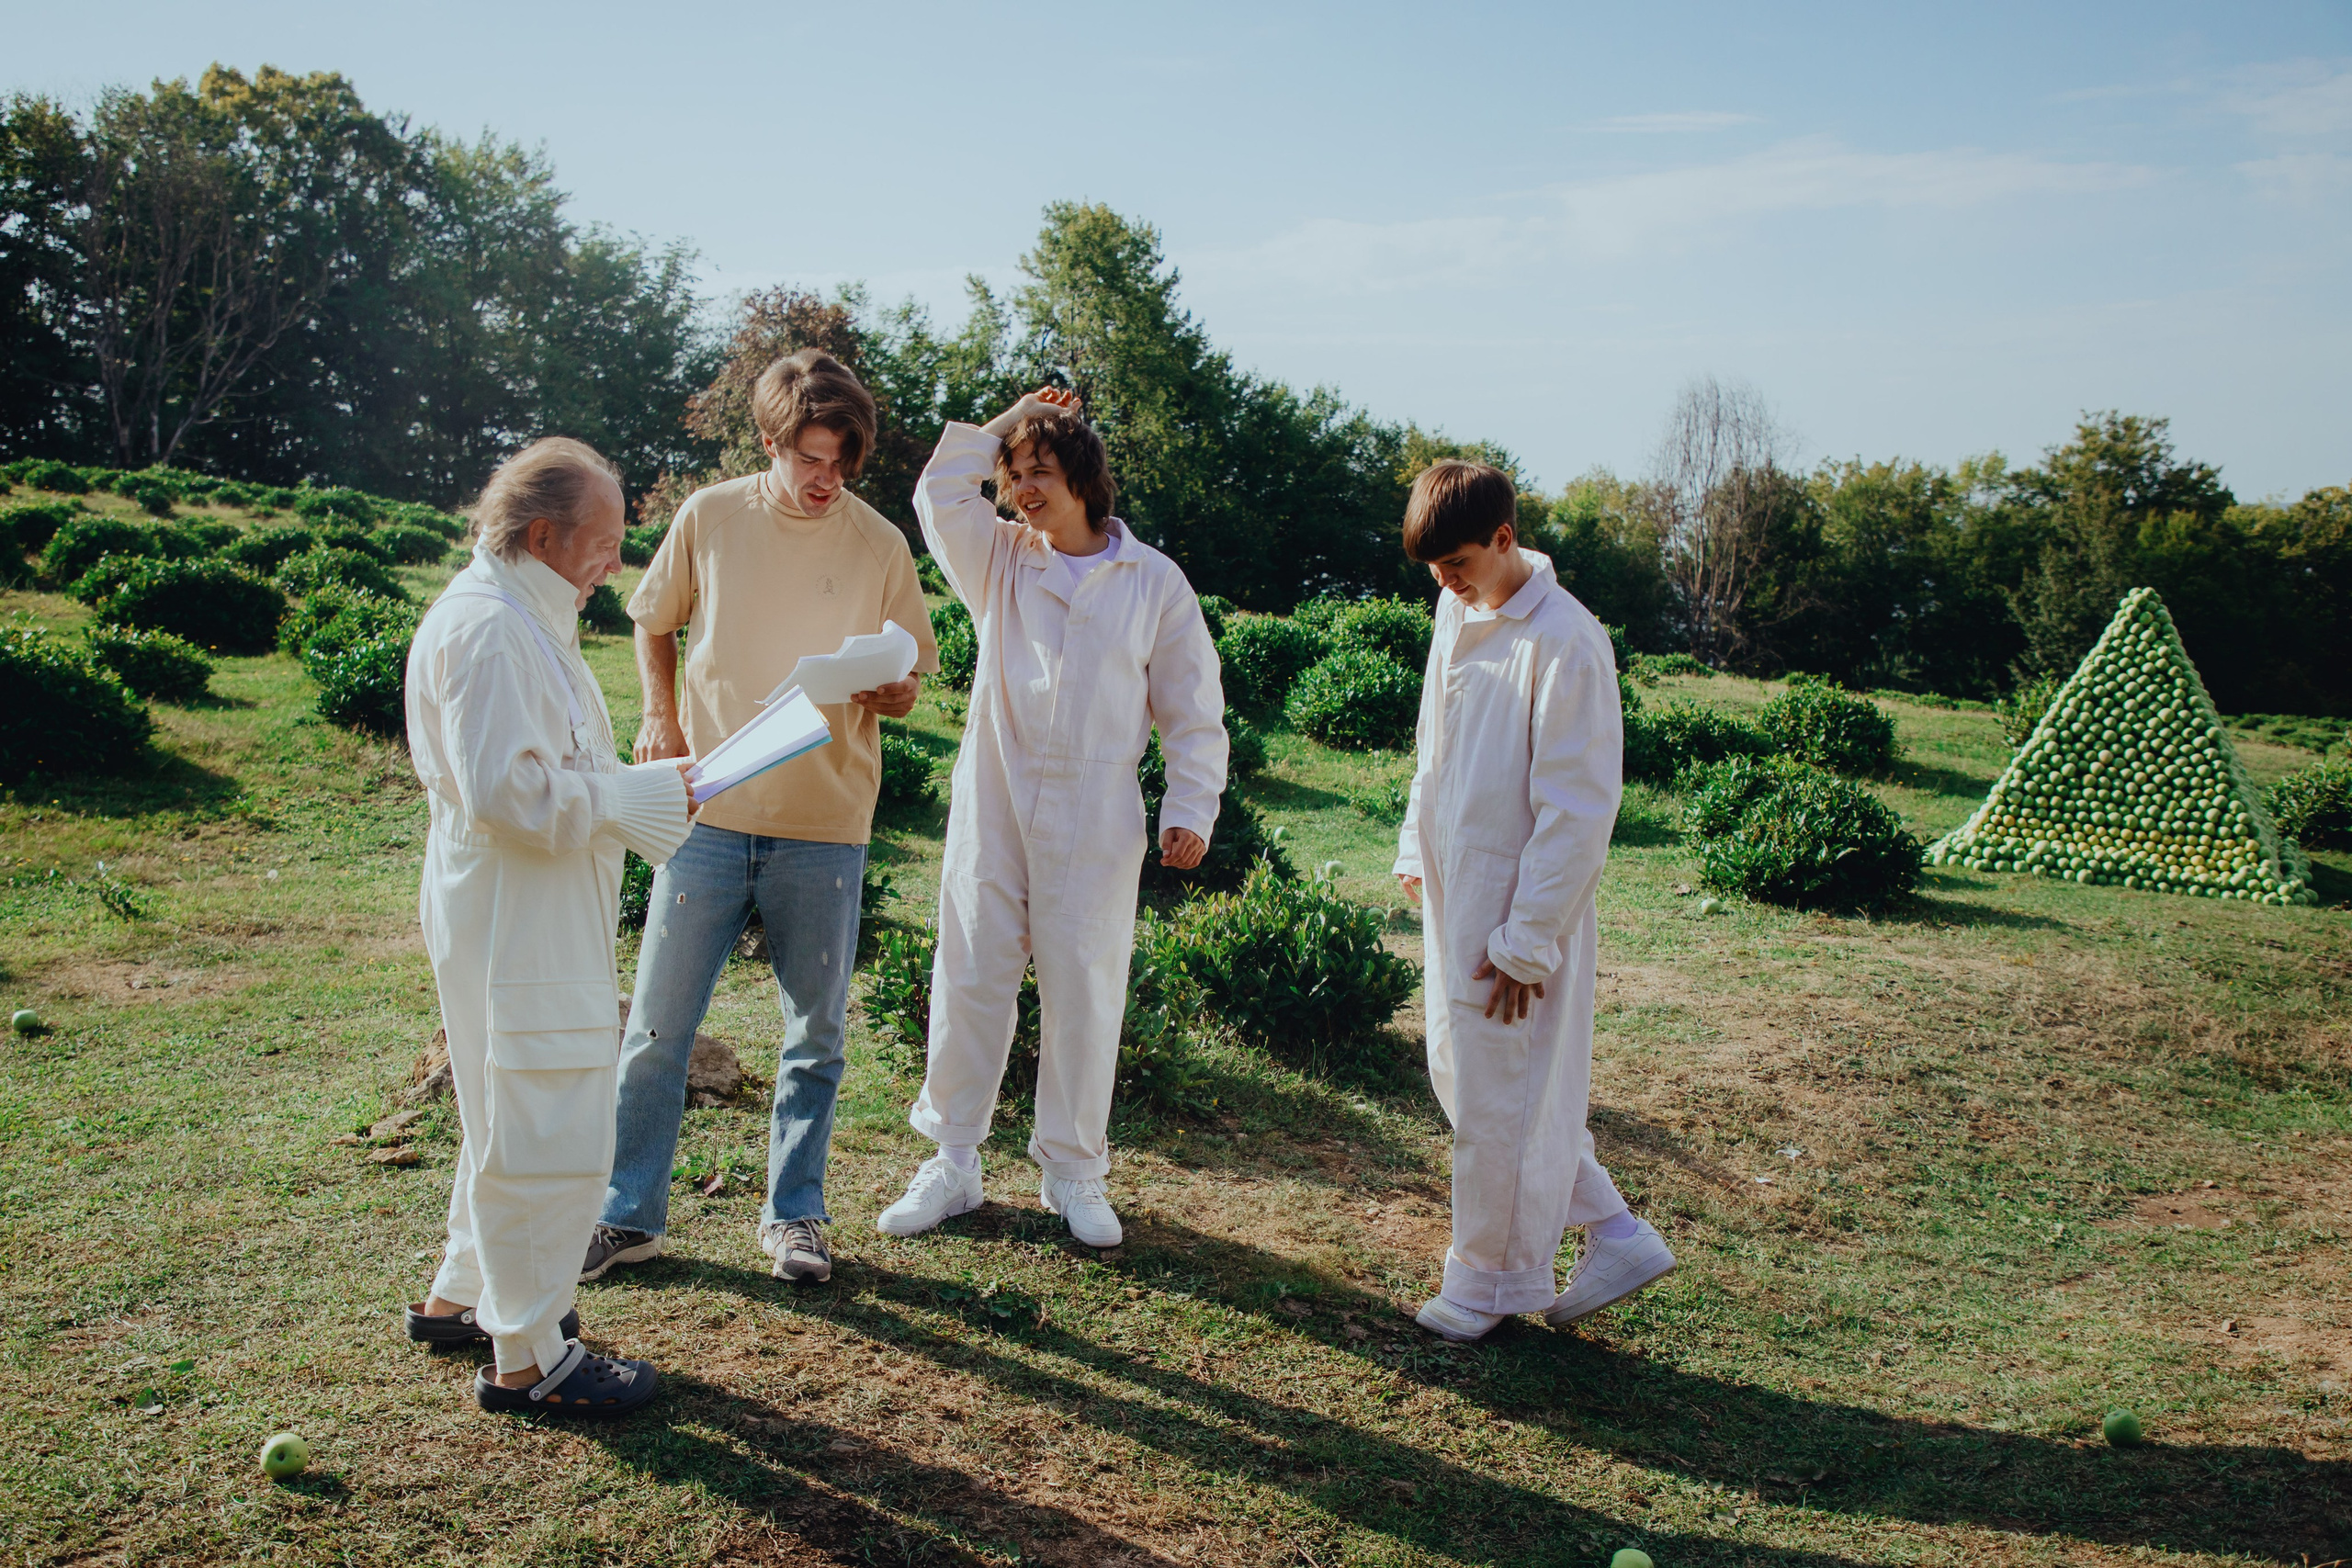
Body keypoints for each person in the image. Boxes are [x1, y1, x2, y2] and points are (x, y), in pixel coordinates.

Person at [584, 349, 938, 1288]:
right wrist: (658, 714)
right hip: (706, 811)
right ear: (770, 442)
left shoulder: (880, 545)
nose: (828, 479)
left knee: (815, 1035)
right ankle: (627, 1215)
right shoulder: (709, 516)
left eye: (843, 462)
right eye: (811, 458)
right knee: (656, 1029)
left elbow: (908, 679)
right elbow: (652, 619)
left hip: (826, 822)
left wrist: (895, 691)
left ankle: (795, 1217)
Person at [876, 389, 1226, 1248]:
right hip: (995, 794)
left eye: (1040, 471)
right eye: (1015, 475)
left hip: (1096, 812)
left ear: (1083, 477)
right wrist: (1013, 416)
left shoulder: (1154, 582)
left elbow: (1193, 708)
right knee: (971, 972)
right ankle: (953, 1159)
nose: (1024, 489)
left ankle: (1072, 1168)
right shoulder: (999, 558)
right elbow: (937, 493)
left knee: (1085, 987)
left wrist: (1190, 806)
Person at [402, 436, 695, 1416]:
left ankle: (464, 1296)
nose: (617, 559)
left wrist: (639, 790)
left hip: (525, 898)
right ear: (541, 535)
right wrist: (635, 796)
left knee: (507, 1105)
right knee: (541, 1116)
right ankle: (531, 1360)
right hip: (515, 905)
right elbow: (509, 793)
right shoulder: (491, 629)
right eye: (604, 540)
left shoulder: (523, 614)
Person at [1391, 459, 1675, 1343]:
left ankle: (1487, 1283)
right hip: (1457, 884)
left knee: (1502, 1094)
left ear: (1505, 537)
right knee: (1469, 1075)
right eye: (1434, 568)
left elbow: (1579, 810)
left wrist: (1527, 940)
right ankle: (1616, 1231)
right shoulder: (1456, 609)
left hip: (1519, 902)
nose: (1445, 580)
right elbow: (1434, 743)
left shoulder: (1567, 640)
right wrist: (1416, 844)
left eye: (1459, 562)